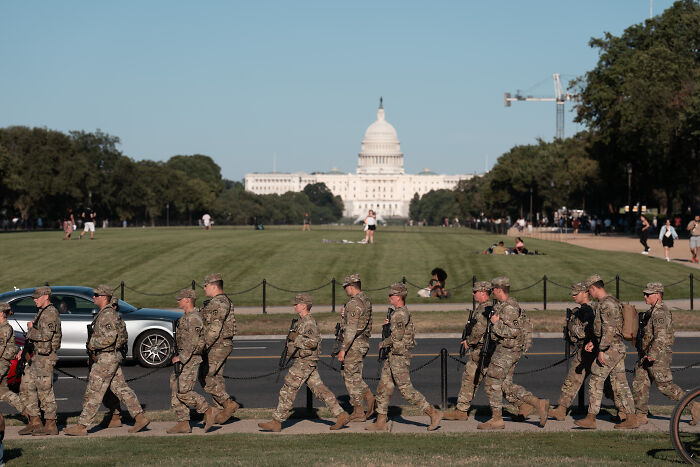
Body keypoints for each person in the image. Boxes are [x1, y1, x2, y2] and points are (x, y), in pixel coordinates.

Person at [65, 285, 149, 436]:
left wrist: (92, 344)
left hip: (107, 357)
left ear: (104, 297)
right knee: (121, 389)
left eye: (96, 295)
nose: (94, 297)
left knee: (94, 392)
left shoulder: (108, 315)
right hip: (108, 357)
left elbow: (110, 338)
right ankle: (140, 417)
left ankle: (82, 426)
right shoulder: (105, 313)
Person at [259, 293, 350, 432]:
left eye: (297, 304)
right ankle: (341, 414)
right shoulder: (300, 321)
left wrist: (296, 340)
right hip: (304, 361)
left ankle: (276, 421)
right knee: (320, 389)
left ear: (304, 305)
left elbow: (313, 342)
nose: (294, 306)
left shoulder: (308, 323)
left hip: (305, 361)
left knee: (288, 388)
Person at [366, 283, 442, 431]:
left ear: (399, 297)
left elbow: (397, 337)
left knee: (406, 390)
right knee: (384, 387)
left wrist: (383, 342)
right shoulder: (397, 313)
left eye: (391, 295)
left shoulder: (400, 314)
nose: (389, 297)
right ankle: (381, 421)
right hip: (393, 355)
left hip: (399, 356)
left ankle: (433, 413)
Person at [478, 277, 549, 430]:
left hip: (507, 350)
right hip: (508, 350)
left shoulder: (509, 308)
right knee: (505, 385)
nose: (491, 293)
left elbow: (513, 331)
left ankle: (497, 419)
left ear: (498, 290)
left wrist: (496, 324)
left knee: (492, 383)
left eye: (493, 290)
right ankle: (537, 403)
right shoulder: (503, 306)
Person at [574, 275, 639, 429]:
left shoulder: (607, 304)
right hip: (613, 347)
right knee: (620, 384)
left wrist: (601, 350)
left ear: (592, 288)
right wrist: (593, 342)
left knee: (596, 377)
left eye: (589, 291)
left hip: (611, 348)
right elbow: (602, 329)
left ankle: (591, 418)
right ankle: (631, 418)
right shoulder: (608, 302)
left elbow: (609, 330)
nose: (589, 294)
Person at [632, 283, 700, 425]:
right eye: (644, 293)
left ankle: (694, 406)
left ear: (658, 295)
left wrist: (653, 354)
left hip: (658, 356)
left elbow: (661, 336)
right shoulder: (653, 311)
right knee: (640, 382)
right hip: (647, 354)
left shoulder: (660, 313)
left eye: (648, 294)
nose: (645, 296)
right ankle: (640, 414)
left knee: (665, 386)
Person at [442, 281, 494, 421]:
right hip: (480, 351)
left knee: (498, 384)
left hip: (484, 351)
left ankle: (526, 404)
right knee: (470, 378)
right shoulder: (482, 307)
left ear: (483, 292)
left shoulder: (486, 308)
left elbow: (480, 329)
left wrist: (468, 342)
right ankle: (461, 410)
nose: (473, 294)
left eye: (475, 291)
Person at [167, 289, 216, 434]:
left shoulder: (194, 318)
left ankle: (207, 410)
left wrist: (181, 358)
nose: (178, 301)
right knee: (175, 386)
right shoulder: (186, 317)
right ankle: (183, 422)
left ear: (188, 300)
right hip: (183, 357)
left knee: (184, 391)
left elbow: (193, 342)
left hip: (190, 359)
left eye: (180, 299)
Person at [549, 282, 597, 421]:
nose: (574, 296)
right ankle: (561, 409)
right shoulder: (581, 309)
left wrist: (572, 327)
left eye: (576, 294)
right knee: (573, 378)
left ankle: (626, 412)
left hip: (592, 349)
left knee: (608, 385)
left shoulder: (590, 310)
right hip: (585, 350)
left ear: (586, 293)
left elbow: (584, 332)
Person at [18, 286, 61, 436]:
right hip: (36, 356)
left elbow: (46, 336)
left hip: (45, 357)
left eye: (37, 297)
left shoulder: (50, 313)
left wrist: (30, 329)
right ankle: (35, 421)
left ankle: (51, 424)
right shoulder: (42, 312)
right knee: (26, 387)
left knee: (45, 392)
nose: (35, 299)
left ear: (46, 296)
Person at [200, 273, 239, 424]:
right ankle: (219, 413)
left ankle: (228, 403)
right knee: (216, 378)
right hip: (220, 344)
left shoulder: (219, 303)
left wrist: (203, 346)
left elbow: (215, 328)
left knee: (205, 377)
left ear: (214, 286)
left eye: (206, 285)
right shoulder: (216, 302)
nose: (204, 288)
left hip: (218, 345)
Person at [336, 274, 375, 422]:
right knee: (352, 375)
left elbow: (351, 329)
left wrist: (343, 349)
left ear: (351, 286)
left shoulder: (353, 303)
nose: (345, 290)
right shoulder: (365, 300)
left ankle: (360, 409)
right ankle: (368, 401)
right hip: (362, 342)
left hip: (354, 344)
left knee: (351, 377)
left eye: (346, 287)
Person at [0, 304, 25, 416]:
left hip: (1, 363)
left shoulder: (4, 328)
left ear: (1, 313)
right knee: (3, 392)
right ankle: (30, 413)